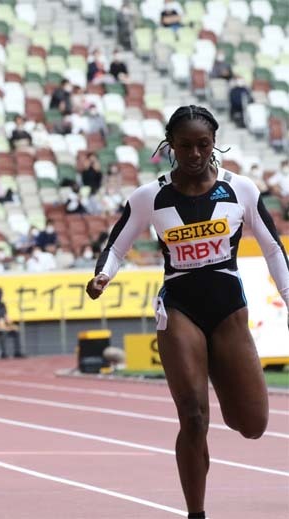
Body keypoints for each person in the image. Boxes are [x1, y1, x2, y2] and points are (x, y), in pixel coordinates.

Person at [85, 105, 289, 519]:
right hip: (180, 308)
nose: (194, 154)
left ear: (214, 143)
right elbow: (117, 246)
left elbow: (271, 247)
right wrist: (103, 276)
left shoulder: (241, 190)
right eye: (185, 146)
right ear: (170, 146)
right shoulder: (149, 196)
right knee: (194, 418)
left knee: (252, 425)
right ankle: (196, 513)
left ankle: (220, 375)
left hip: (229, 310)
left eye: (203, 145)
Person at [0, 287, 23, 359]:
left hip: (3, 326)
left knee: (16, 332)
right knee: (2, 333)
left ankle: (17, 352)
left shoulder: (2, 305)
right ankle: (4, 353)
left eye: (0, 293)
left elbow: (6, 317)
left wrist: (12, 325)